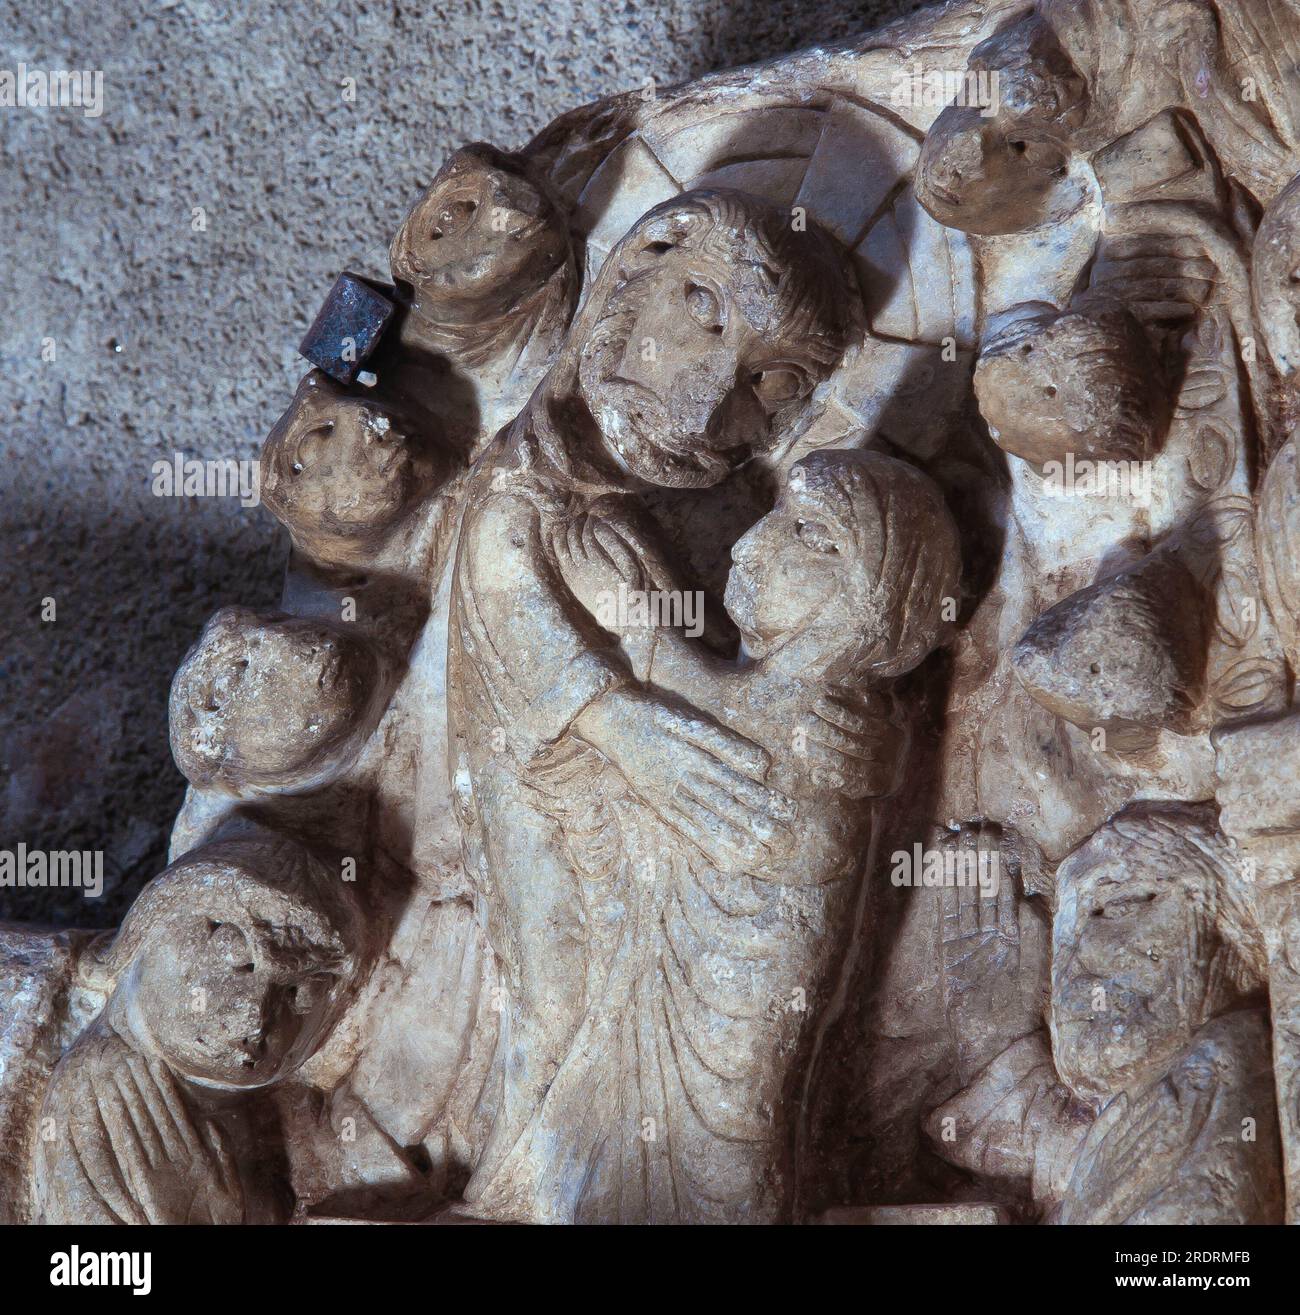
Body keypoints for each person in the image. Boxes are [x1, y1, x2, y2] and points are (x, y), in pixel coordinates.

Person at [33, 831, 363, 1224]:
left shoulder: (268, 1109)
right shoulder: (110, 1082)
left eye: (300, 993)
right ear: (154, 929)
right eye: (236, 959)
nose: (255, 1017)